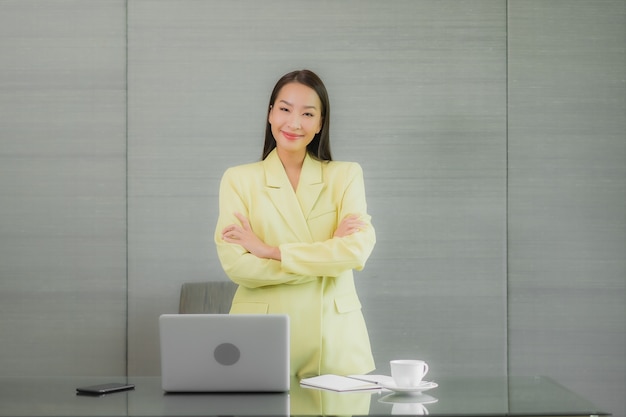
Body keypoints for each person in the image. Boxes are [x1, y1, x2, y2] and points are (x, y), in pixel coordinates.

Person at [214, 69, 376, 378]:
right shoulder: (238, 179)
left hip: (334, 340)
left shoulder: (345, 176)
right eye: (285, 109)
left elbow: (355, 252)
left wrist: (271, 251)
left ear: (320, 124)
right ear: (270, 114)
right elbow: (238, 266)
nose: (294, 122)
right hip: (260, 338)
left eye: (307, 113)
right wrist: (326, 258)